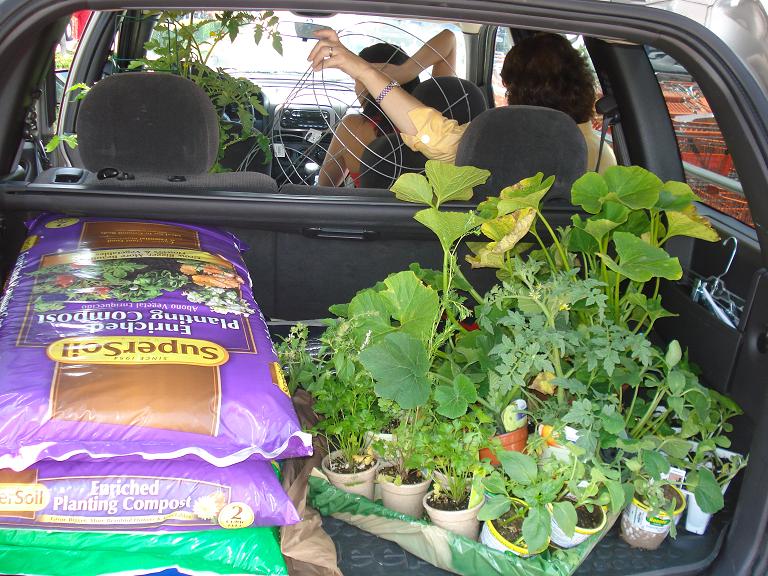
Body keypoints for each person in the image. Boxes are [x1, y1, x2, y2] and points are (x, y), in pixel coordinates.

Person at [309, 30, 616, 172]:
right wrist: (402, 72)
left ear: (514, 90)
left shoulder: (489, 143)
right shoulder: (604, 157)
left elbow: (433, 134)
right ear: (583, 82)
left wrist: (364, 70)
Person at [317, 30, 457, 187]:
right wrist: (406, 70)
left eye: (357, 78)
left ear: (366, 81)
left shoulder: (351, 128)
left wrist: (370, 73)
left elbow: (324, 189)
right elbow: (449, 40)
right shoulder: (434, 121)